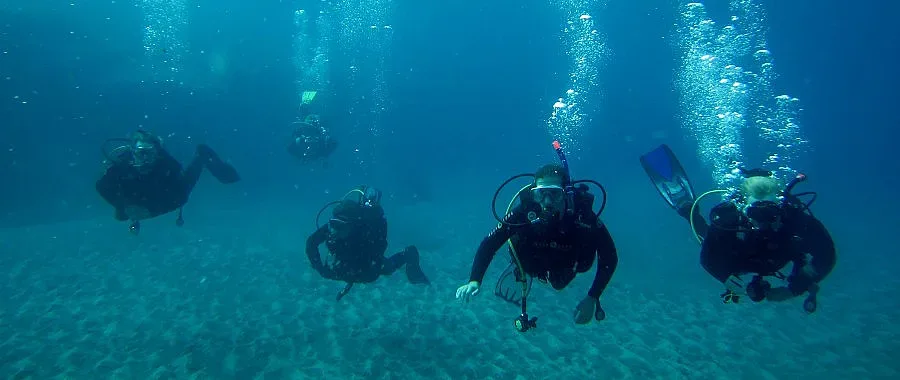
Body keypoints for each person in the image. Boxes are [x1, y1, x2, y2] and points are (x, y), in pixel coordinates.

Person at [640, 144, 836, 313]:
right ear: (742, 207)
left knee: (798, 253)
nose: (764, 221)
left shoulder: (794, 219)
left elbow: (826, 254)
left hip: (776, 257)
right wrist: (723, 276)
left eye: (770, 212)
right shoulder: (729, 222)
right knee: (708, 236)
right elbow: (708, 257)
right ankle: (689, 211)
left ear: (781, 206)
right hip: (737, 256)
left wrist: (795, 287)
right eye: (757, 213)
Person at [455, 141, 618, 331]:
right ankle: (520, 271)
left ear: (566, 194)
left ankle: (539, 271)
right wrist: (475, 280)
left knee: (559, 284)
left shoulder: (582, 215)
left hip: (567, 263)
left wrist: (593, 296)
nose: (547, 202)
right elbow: (490, 242)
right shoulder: (526, 211)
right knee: (524, 256)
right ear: (534, 194)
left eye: (554, 195)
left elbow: (609, 256)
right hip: (531, 261)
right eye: (541, 194)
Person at [96, 130, 240, 234]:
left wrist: (152, 209)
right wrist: (123, 205)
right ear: (133, 153)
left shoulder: (166, 166)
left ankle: (202, 155)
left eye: (149, 153)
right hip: (139, 198)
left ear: (156, 154)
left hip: (166, 193)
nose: (145, 159)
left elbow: (180, 197)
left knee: (185, 186)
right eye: (141, 153)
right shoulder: (121, 165)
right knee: (121, 215)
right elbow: (102, 187)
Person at [306, 185, 430, 300]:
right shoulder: (374, 221)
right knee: (388, 266)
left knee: (384, 267)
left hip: (345, 271)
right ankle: (409, 257)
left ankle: (409, 257)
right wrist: (321, 269)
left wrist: (320, 268)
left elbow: (311, 242)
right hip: (367, 272)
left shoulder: (365, 222)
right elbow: (380, 248)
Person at [287, 90, 337, 163]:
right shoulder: (300, 139)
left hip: (318, 147)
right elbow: (290, 148)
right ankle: (305, 106)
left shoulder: (323, 142)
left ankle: (305, 106)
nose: (310, 138)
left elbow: (333, 144)